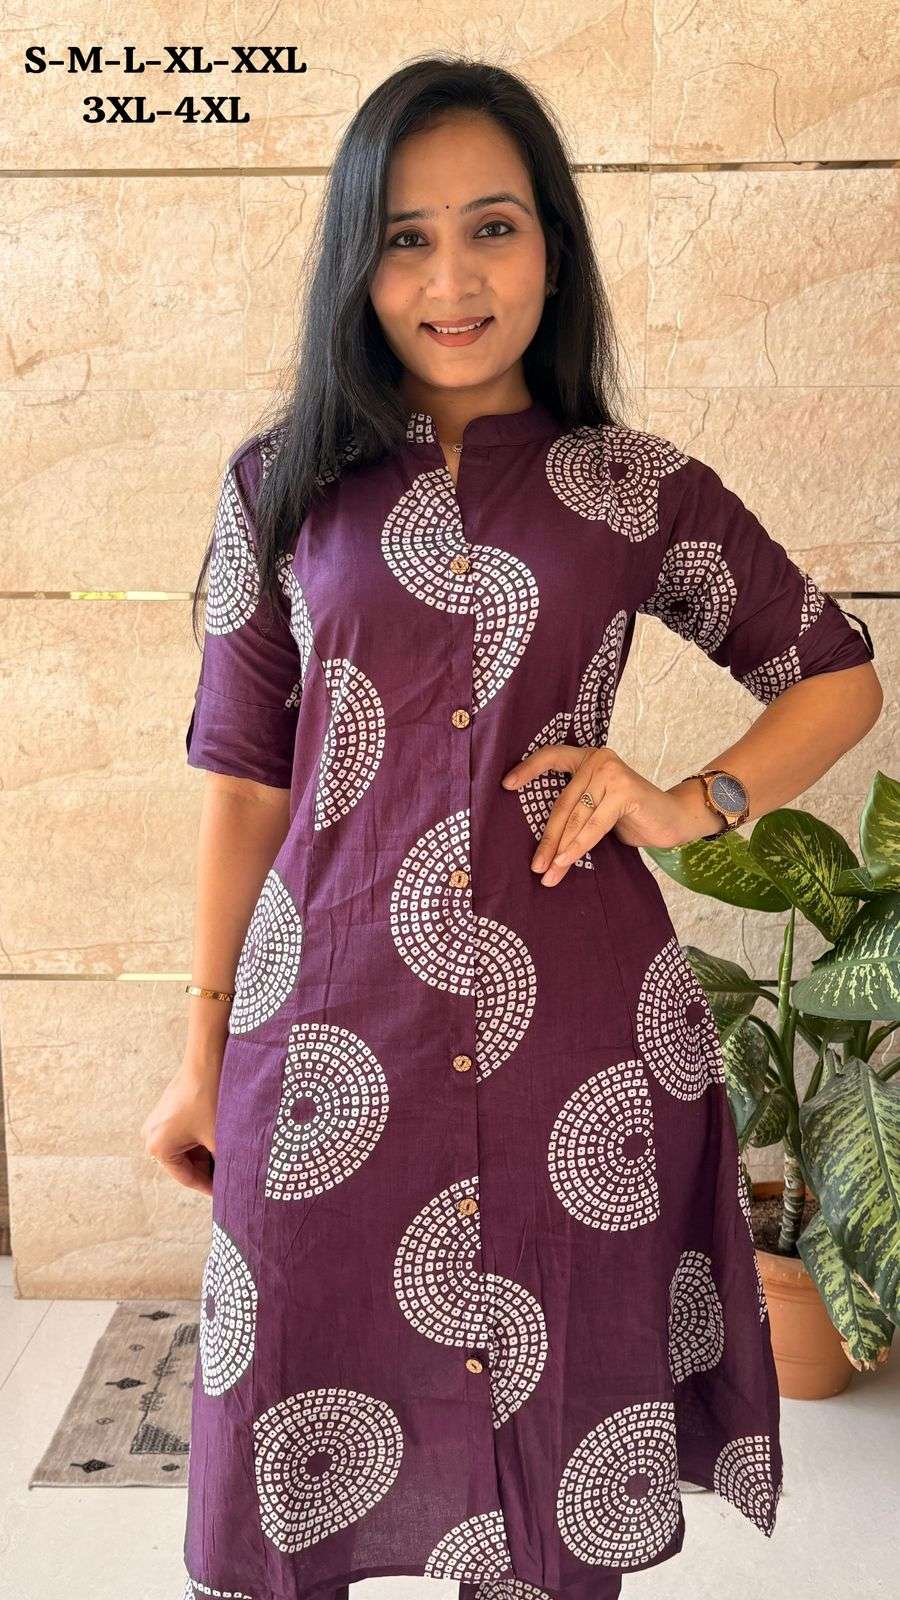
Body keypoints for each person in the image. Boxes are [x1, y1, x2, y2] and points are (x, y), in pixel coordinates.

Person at [141, 55, 882, 1600]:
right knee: (287, 1435)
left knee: (552, 1464)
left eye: (492, 228)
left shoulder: (636, 489)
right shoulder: (278, 485)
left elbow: (834, 672)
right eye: (404, 239)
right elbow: (246, 786)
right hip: (326, 1031)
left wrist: (691, 800)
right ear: (357, 266)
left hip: (577, 1048)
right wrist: (200, 1055)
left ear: (553, 241)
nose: (453, 280)